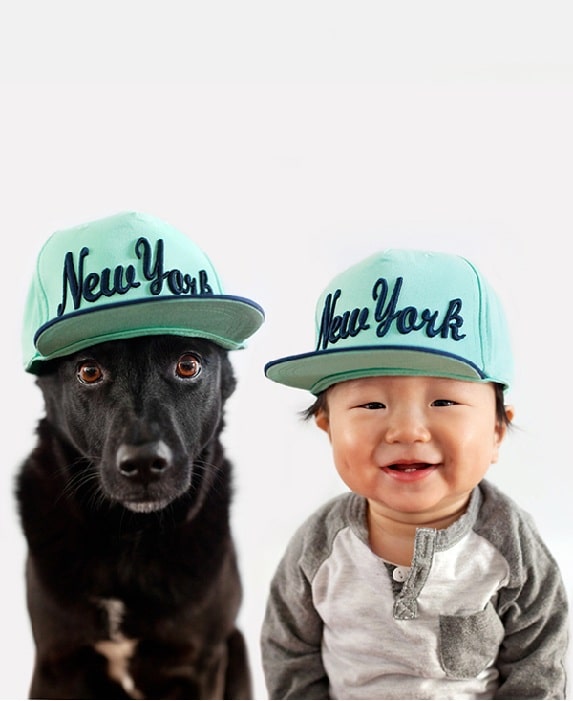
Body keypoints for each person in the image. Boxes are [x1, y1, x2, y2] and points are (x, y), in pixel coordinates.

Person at [261, 248, 568, 700]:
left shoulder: (510, 546)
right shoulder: (321, 547)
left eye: (443, 401)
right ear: (328, 427)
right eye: (370, 404)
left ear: (497, 430)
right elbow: (288, 652)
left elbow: (539, 664)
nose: (406, 429)